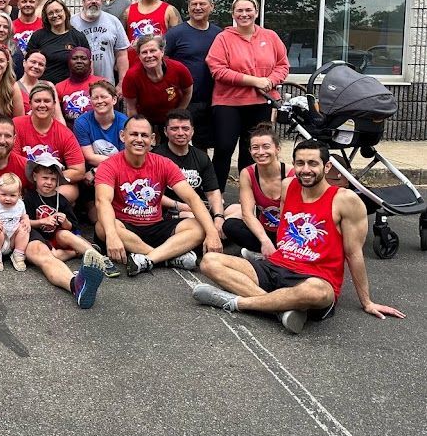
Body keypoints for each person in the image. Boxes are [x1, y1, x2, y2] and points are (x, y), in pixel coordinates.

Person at [194, 140, 406, 334]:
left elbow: (354, 253)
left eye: (313, 163)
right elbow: (284, 228)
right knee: (210, 261)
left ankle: (236, 302)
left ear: (327, 166)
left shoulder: (345, 200)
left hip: (315, 277)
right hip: (278, 265)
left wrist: (367, 302)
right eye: (300, 163)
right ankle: (279, 311)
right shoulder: (288, 186)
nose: (306, 170)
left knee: (319, 293)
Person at [0, 117, 104, 311]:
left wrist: (69, 230)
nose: (2, 140)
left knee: (43, 254)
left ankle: (77, 285)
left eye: (7, 136)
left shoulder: (25, 166)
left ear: (14, 138)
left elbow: (47, 194)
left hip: (19, 226)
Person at [94, 115, 221, 276]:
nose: (139, 139)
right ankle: (166, 257)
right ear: (122, 136)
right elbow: (102, 201)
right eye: (134, 134)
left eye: (144, 135)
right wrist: (111, 235)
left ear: (152, 139)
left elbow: (192, 198)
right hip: (125, 226)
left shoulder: (163, 163)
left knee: (199, 226)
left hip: (156, 225)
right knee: (102, 227)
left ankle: (149, 258)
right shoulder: (109, 165)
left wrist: (212, 232)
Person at [206, 0, 289, 190]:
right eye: (240, 11)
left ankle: (250, 196)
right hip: (228, 103)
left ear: (257, 12)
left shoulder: (270, 37)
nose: (244, 14)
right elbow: (217, 69)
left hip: (261, 103)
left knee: (253, 151)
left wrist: (270, 81)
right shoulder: (223, 38)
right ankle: (215, 197)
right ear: (233, 14)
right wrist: (254, 81)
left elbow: (282, 65)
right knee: (224, 149)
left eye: (248, 10)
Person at [25, 155, 118, 276]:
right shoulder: (29, 198)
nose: (49, 182)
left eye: (53, 179)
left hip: (60, 237)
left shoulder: (61, 199)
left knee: (63, 234)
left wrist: (64, 222)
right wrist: (43, 221)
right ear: (35, 177)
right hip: (40, 239)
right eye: (45, 178)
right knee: (53, 256)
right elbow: (26, 222)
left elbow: (71, 227)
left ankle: (100, 259)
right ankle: (79, 251)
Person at [164, 0, 222, 150]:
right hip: (183, 100)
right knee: (177, 142)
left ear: (212, 6)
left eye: (202, 4)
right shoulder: (175, 34)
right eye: (193, 4)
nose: (197, 8)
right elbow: (162, 63)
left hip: (212, 99)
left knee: (203, 146)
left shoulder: (219, 34)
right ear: (188, 7)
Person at [221, 123, 291, 255]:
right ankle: (265, 251)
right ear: (250, 151)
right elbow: (247, 214)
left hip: (288, 232)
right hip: (263, 231)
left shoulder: (291, 174)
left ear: (277, 149)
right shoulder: (248, 173)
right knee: (230, 226)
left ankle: (274, 254)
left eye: (266, 147)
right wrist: (264, 241)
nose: (260, 152)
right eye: (255, 148)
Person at [154, 109, 227, 233]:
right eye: (175, 128)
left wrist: (219, 217)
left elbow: (213, 192)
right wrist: (181, 206)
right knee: (196, 220)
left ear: (192, 131)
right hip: (171, 210)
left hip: (198, 207)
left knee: (237, 210)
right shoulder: (156, 157)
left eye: (185, 128)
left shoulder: (201, 156)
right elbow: (153, 195)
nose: (180, 133)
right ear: (166, 132)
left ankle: (214, 230)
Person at [14, 84, 87, 202]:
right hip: (23, 182)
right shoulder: (17, 125)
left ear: (54, 104)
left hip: (51, 185)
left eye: (47, 101)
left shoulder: (65, 133)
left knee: (71, 191)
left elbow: (79, 171)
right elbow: (13, 162)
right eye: (37, 101)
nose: (42, 105)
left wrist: (48, 179)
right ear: (30, 103)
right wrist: (35, 179)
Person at [121, 35, 193, 133]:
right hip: (144, 117)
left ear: (162, 52)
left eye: (153, 51)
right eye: (144, 52)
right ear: (139, 56)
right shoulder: (131, 76)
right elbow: (131, 108)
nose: (149, 55)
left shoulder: (178, 68)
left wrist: (178, 113)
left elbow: (188, 92)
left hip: (172, 115)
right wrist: (139, 129)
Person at [70, 0, 129, 86]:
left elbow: (122, 55)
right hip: (78, 86)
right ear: (83, 1)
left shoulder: (113, 21)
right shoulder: (71, 23)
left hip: (107, 85)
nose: (94, 1)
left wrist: (122, 83)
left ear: (102, 1)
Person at [121, 0, 181, 68]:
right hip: (133, 66)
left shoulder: (169, 10)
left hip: (160, 67)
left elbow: (178, 40)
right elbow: (120, 41)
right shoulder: (128, 11)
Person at [25, 0, 89, 84]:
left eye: (58, 11)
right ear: (46, 17)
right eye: (50, 13)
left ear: (65, 12)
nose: (55, 15)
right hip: (43, 88)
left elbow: (88, 64)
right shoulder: (38, 36)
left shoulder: (78, 37)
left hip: (71, 88)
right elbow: (28, 63)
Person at [74, 80, 128, 176]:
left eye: (103, 97)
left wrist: (98, 170)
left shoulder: (125, 123)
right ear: (90, 101)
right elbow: (89, 157)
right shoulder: (82, 122)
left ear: (114, 100)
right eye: (95, 98)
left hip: (121, 170)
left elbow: (125, 157)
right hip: (92, 168)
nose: (99, 101)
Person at [0, 172, 30, 272]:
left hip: (12, 239)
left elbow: (24, 215)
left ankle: (18, 254)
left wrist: (26, 220)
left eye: (12, 195)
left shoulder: (20, 204)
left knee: (24, 228)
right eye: (3, 194)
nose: (7, 198)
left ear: (19, 195)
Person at [54, 46, 103, 127]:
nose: (79, 61)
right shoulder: (59, 87)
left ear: (90, 62)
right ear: (68, 62)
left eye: (83, 58)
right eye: (75, 58)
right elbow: (58, 117)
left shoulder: (102, 83)